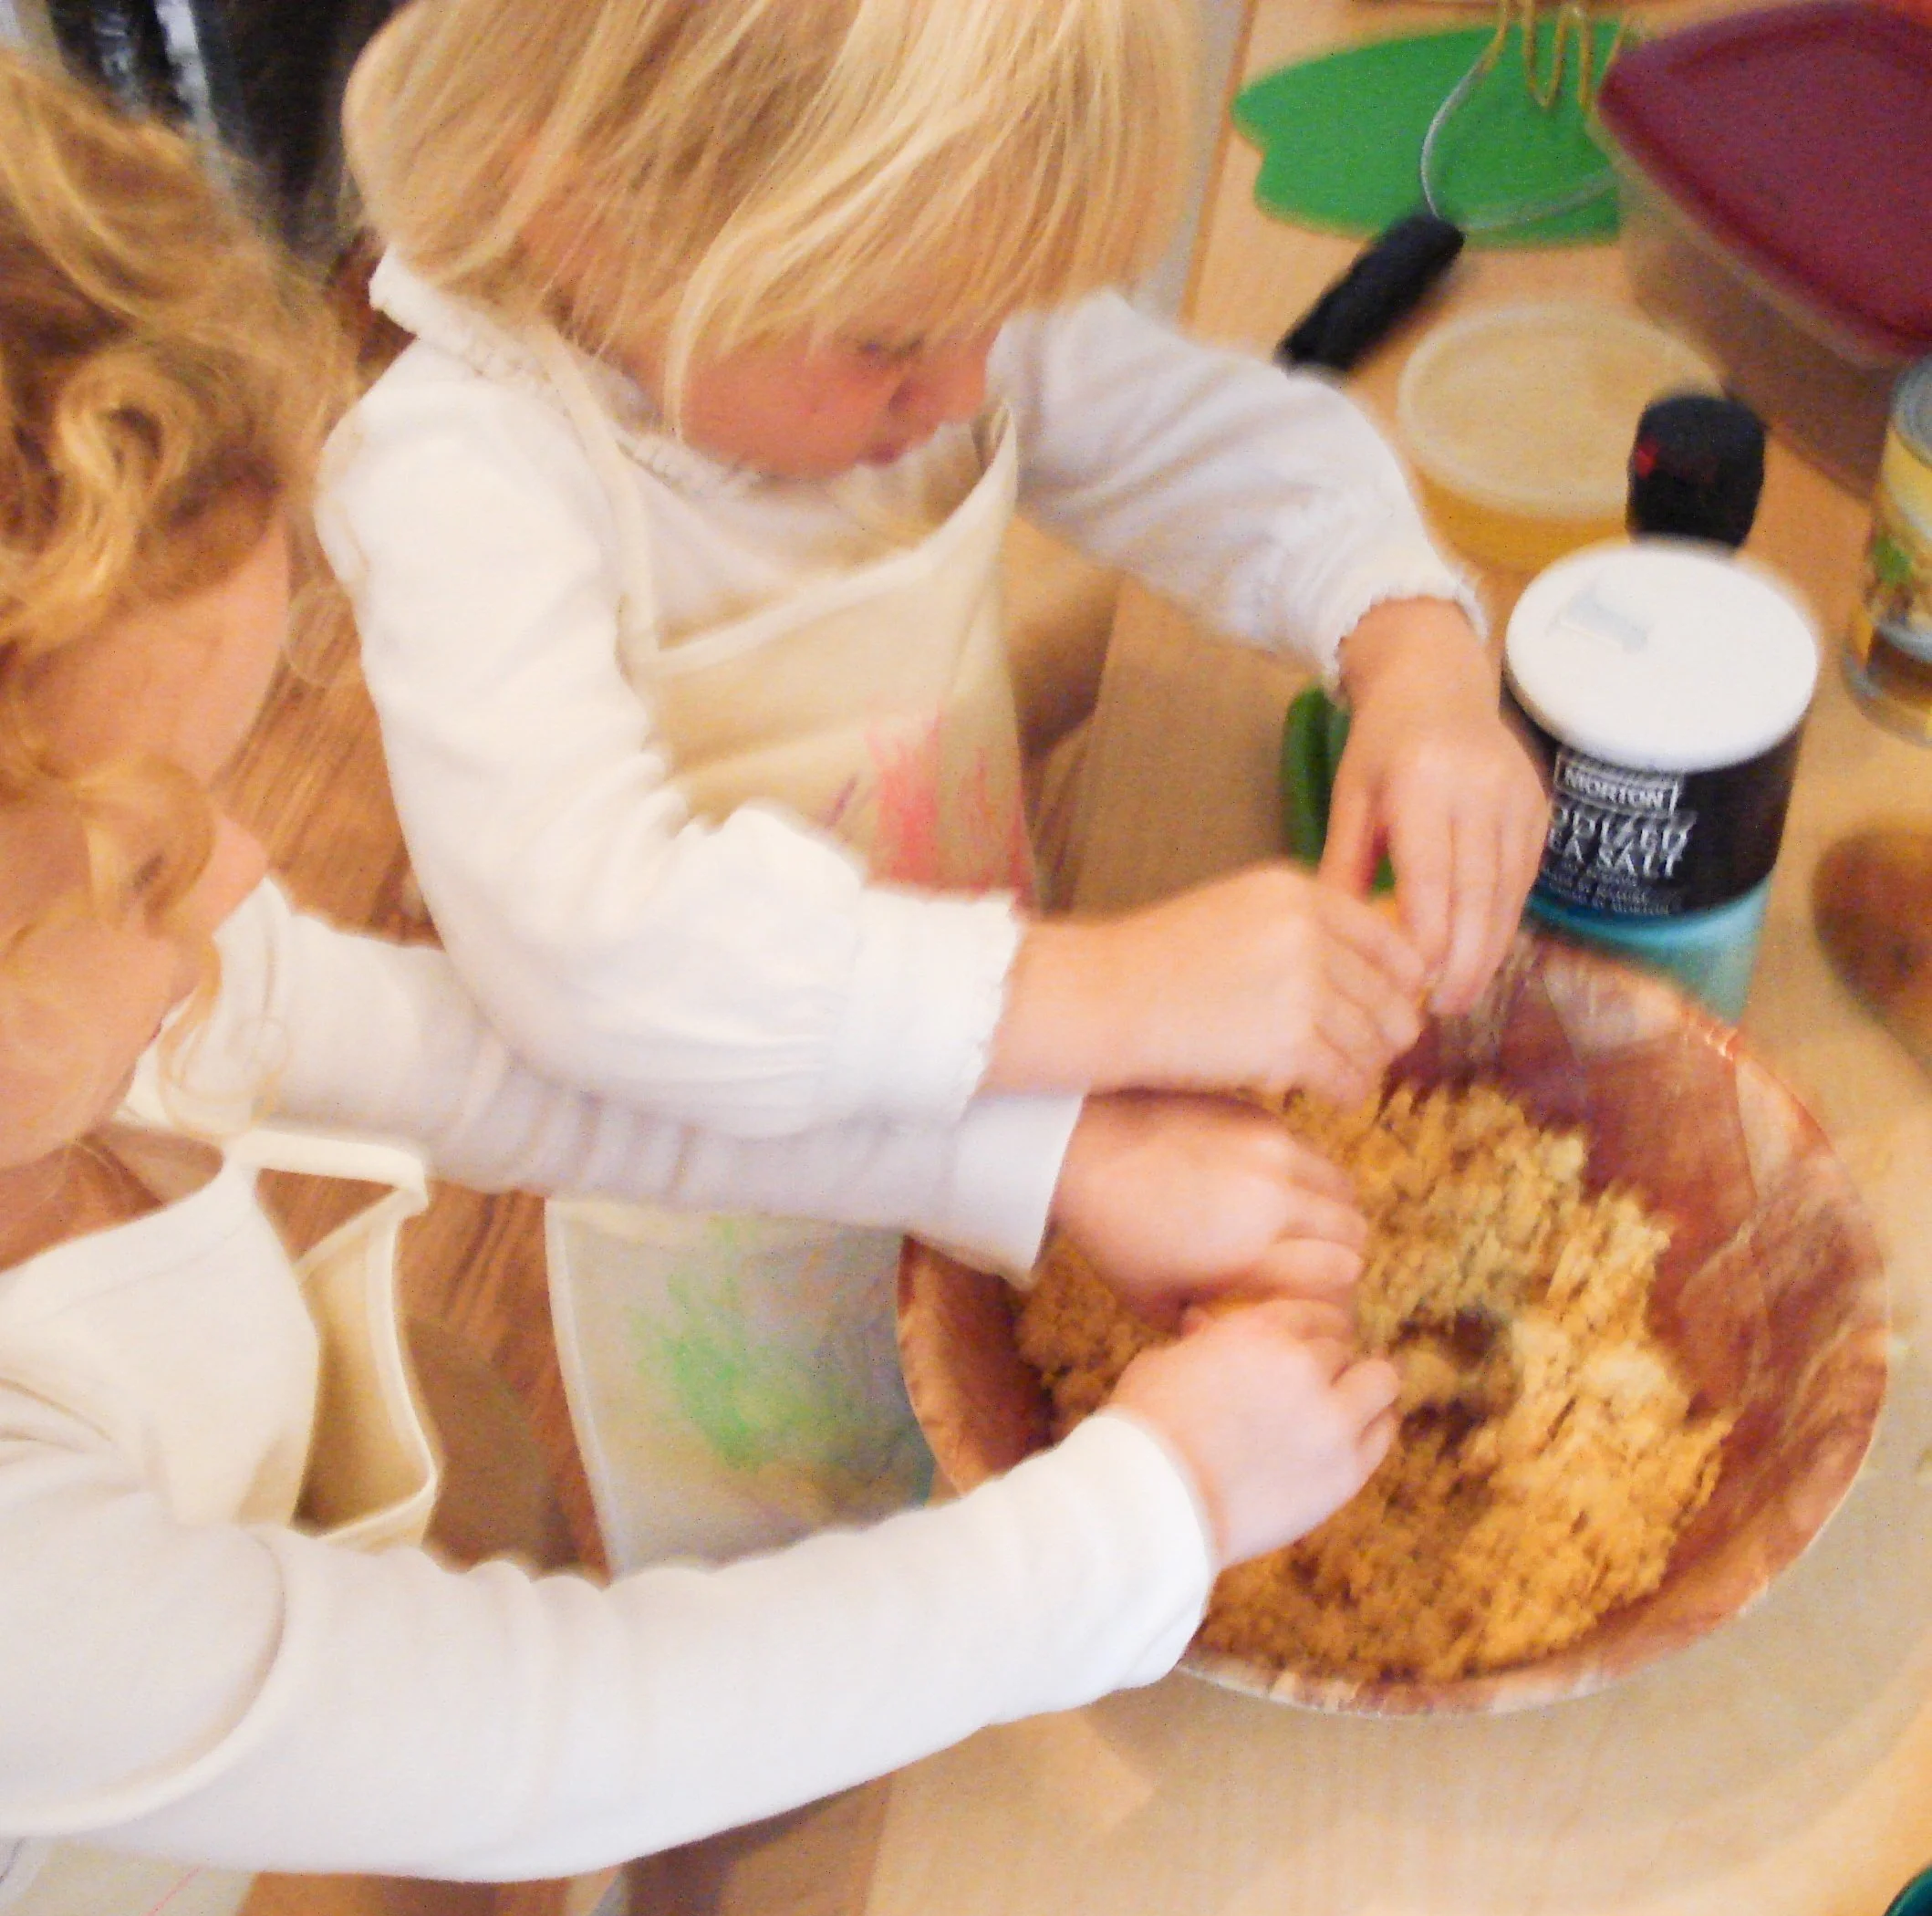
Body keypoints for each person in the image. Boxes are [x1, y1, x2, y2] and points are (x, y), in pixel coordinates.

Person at [0, 53, 1401, 1916]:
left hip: (272, 1610)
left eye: (224, 797)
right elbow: (560, 1728)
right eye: (151, 865)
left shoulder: (124, 1000)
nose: (249, 871)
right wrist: (1147, 1514)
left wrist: (1031, 1166)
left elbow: (496, 1073)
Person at [320, 0, 1546, 1566]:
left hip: (1024, 1122)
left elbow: (1222, 443)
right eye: (896, 344)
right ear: (582, 213)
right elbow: (597, 954)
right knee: (819, 1603)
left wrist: (1416, 653)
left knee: (991, 1467)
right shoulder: (465, 481)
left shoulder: (897, 302)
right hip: (730, 1248)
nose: (969, 389)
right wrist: (1115, 990)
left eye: (1004, 317)